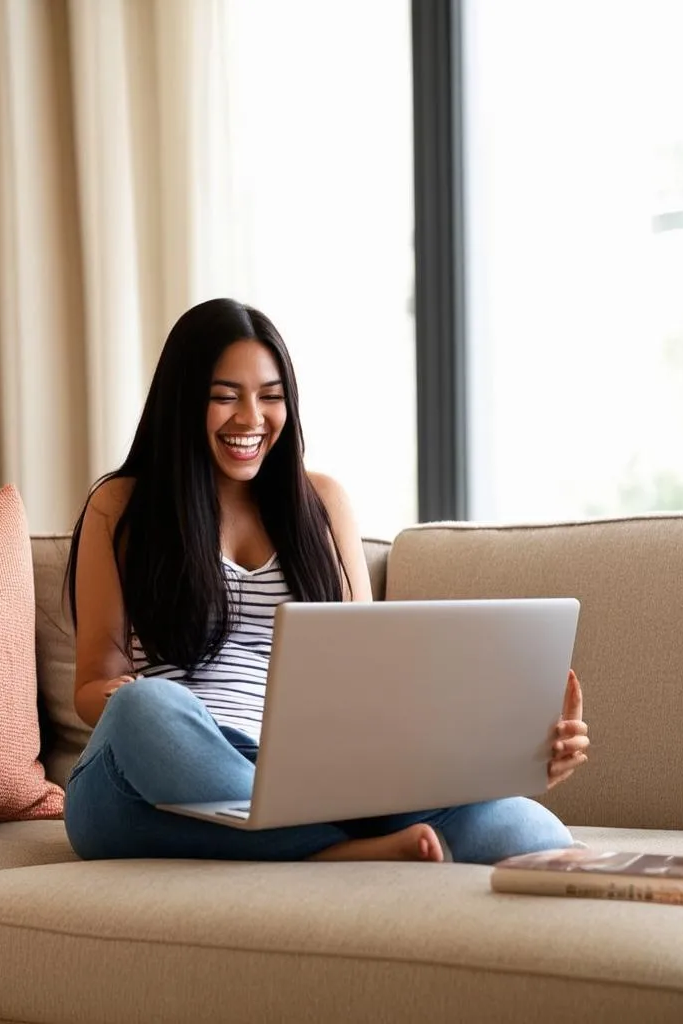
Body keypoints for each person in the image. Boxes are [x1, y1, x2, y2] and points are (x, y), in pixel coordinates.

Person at [63, 298, 590, 864]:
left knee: (532, 833)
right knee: (145, 710)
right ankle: (344, 846)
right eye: (224, 397)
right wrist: (124, 696)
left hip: (306, 777)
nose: (250, 418)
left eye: (270, 396)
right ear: (183, 401)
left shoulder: (323, 504)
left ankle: (312, 845)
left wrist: (515, 753)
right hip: (161, 771)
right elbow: (95, 685)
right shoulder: (121, 507)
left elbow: (371, 682)